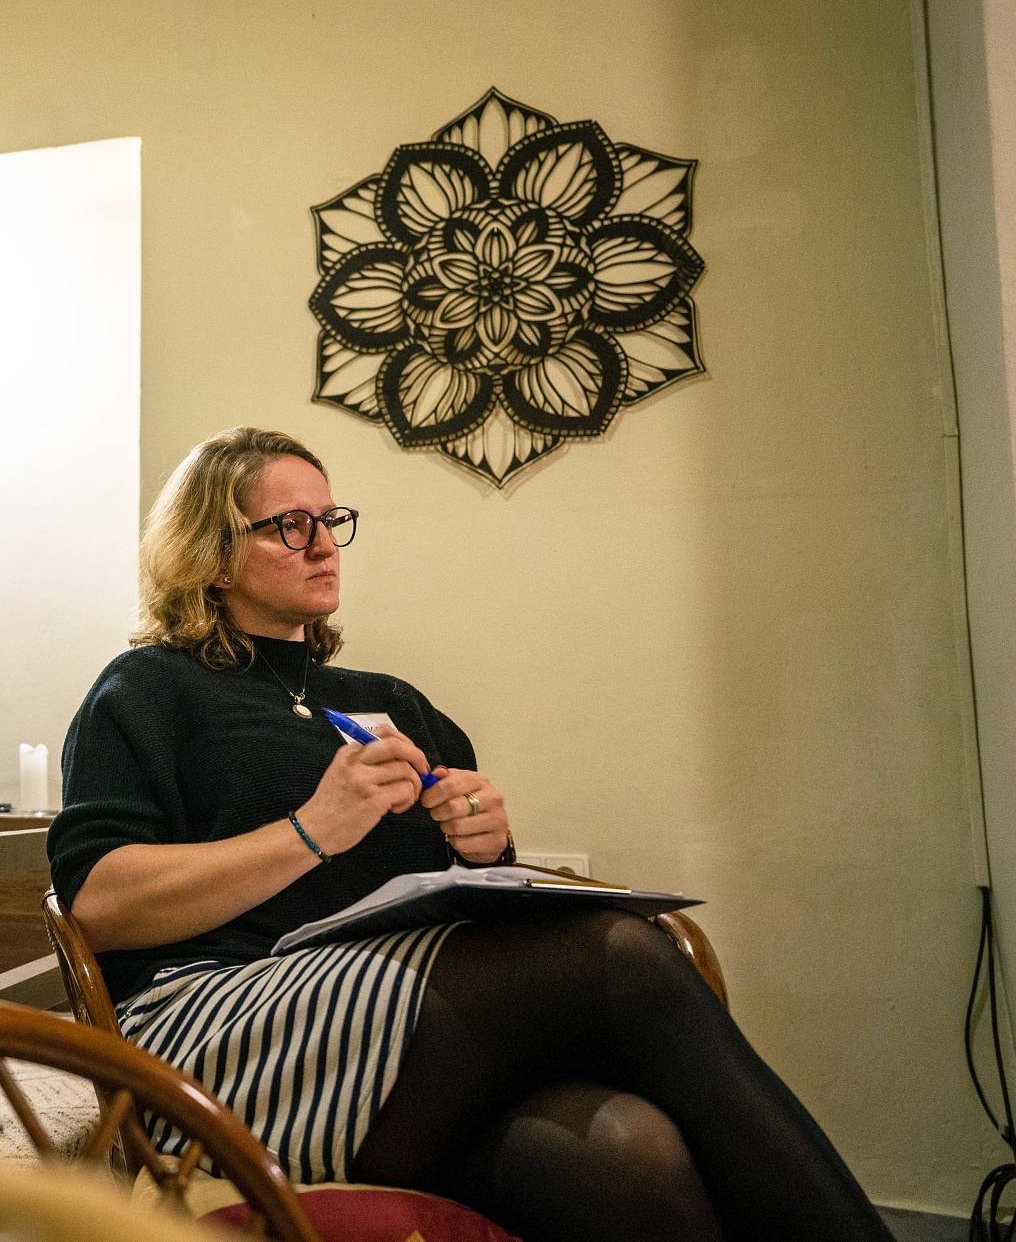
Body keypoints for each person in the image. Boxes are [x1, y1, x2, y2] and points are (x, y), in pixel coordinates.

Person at [47, 426, 892, 1242]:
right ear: (212, 554)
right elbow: (101, 904)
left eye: (331, 520)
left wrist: (485, 846)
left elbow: (456, 898)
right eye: (290, 525)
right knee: (620, 954)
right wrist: (309, 830)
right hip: (222, 1029)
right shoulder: (147, 689)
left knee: (627, 1147)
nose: (325, 544)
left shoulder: (393, 702)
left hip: (406, 1033)